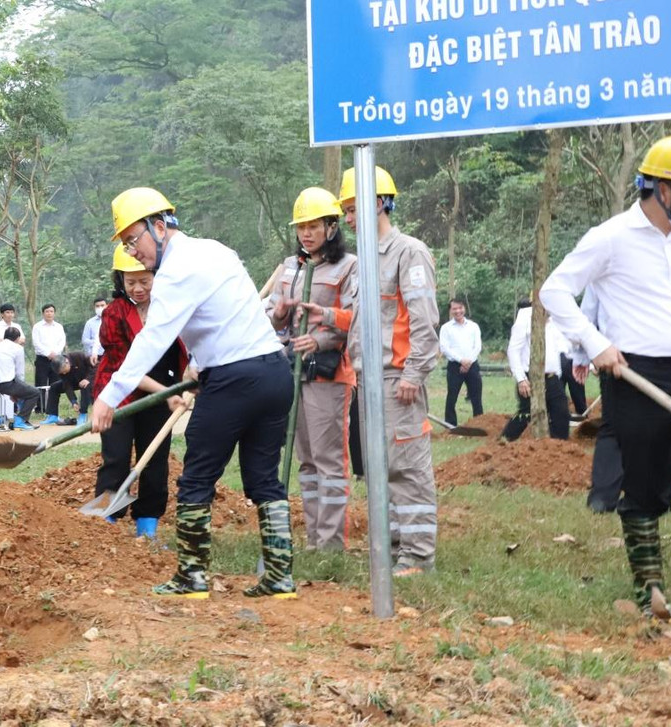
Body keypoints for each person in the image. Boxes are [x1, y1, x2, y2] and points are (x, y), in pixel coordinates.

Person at [540, 134, 671, 619]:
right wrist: (595, 344)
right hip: (637, 377)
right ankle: (650, 590)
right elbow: (554, 290)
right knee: (644, 487)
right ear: (663, 189)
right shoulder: (610, 237)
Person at [91, 188, 294, 600]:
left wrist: (109, 395)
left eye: (134, 240)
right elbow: (229, 316)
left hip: (236, 380)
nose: (132, 252)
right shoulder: (215, 251)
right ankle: (279, 577)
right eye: (127, 244)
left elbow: (151, 340)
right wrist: (199, 365)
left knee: (197, 477)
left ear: (160, 226)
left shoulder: (174, 273)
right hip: (274, 372)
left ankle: (191, 575)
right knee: (263, 478)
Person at [331, 166, 440, 577]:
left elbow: (424, 320)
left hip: (398, 379)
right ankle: (396, 549)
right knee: (381, 467)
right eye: (344, 209)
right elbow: (363, 321)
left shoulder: (408, 252)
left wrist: (414, 373)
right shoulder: (361, 263)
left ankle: (418, 555)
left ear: (378, 202)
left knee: (408, 468)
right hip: (368, 380)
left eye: (352, 207)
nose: (347, 218)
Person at [268, 187, 358, 552]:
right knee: (305, 459)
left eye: (314, 226)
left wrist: (320, 339)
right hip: (294, 373)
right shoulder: (290, 269)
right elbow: (275, 320)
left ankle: (332, 542)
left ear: (332, 227)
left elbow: (358, 318)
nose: (306, 233)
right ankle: (312, 537)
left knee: (328, 460)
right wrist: (279, 313)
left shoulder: (348, 266)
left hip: (329, 375)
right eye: (301, 227)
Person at [92, 246, 189, 540]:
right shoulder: (113, 314)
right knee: (117, 459)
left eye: (145, 281)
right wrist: (168, 393)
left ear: (156, 276)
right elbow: (126, 370)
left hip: (161, 393)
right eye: (130, 282)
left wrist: (184, 383)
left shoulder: (169, 308)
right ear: (119, 280)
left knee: (155, 460)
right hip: (118, 395)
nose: (138, 288)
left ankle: (147, 529)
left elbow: (183, 352)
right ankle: (104, 524)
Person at [502, 299, 571, 441]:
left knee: (561, 412)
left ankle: (558, 447)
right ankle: (505, 441)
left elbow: (563, 347)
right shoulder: (525, 319)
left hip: (552, 377)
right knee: (526, 413)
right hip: (530, 377)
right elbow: (513, 350)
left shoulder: (555, 321)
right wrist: (521, 379)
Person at [439, 298, 484, 427]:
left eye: (460, 308)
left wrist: (468, 361)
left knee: (476, 396)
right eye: (454, 308)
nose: (458, 311)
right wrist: (461, 361)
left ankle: (479, 422)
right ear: (450, 310)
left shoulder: (473, 326)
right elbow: (444, 348)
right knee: (452, 396)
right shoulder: (446, 328)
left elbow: (478, 346)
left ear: (464, 308)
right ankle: (450, 424)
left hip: (472, 364)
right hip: (454, 366)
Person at [0, 326, 39, 429]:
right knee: (34, 392)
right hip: (5, 383)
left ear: (4, 336)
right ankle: (20, 420)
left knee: (24, 390)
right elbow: (20, 372)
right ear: (17, 339)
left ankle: (23, 420)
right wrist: (17, 390)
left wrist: (17, 391)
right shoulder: (18, 348)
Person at [32, 304, 69, 423]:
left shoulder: (58, 327)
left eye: (51, 311)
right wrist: (48, 353)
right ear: (43, 313)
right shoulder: (37, 327)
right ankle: (40, 408)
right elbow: (36, 343)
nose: (49, 313)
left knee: (55, 384)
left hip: (56, 359)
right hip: (42, 358)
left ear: (54, 313)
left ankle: (52, 409)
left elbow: (62, 341)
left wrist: (56, 353)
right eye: (47, 311)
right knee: (41, 383)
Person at [79, 297, 107, 422]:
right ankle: (85, 413)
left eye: (102, 305)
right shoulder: (90, 323)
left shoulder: (113, 320)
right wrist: (99, 341)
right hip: (93, 358)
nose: (100, 308)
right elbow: (85, 340)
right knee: (90, 384)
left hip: (110, 356)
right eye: (97, 306)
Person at [54, 350, 93, 426]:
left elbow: (96, 367)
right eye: (62, 373)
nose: (64, 373)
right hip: (77, 381)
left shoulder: (79, 356)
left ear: (66, 362)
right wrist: (73, 402)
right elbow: (67, 385)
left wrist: (88, 379)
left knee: (84, 386)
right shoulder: (61, 371)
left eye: (64, 371)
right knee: (55, 386)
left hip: (92, 377)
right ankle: (52, 415)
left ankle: (83, 414)